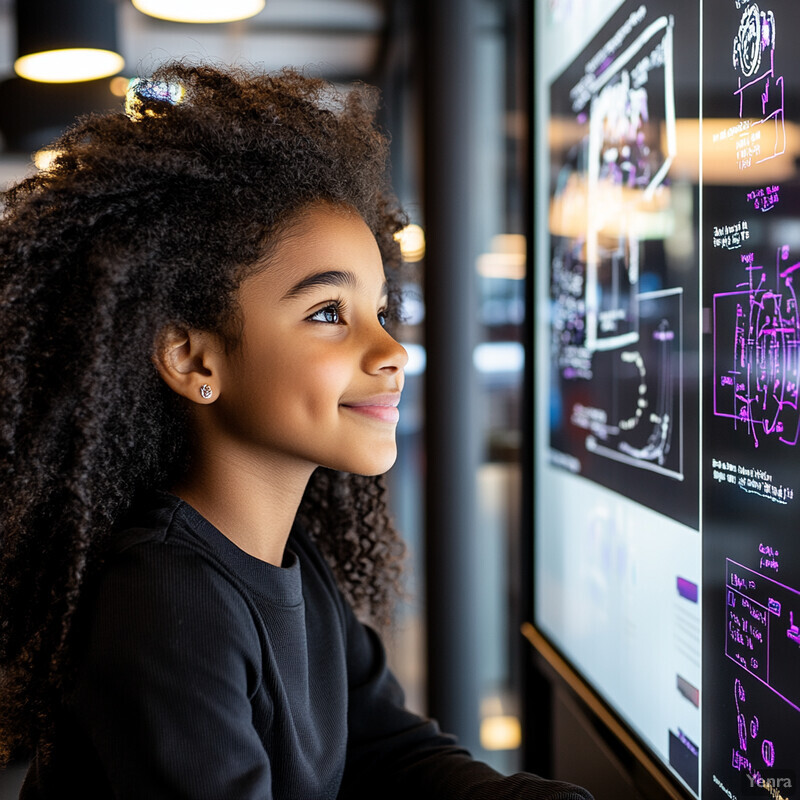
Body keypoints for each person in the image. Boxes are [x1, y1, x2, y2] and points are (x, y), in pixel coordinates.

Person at [0, 63, 593, 800]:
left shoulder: (287, 557)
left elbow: (392, 753)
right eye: (326, 315)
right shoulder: (165, 601)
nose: (391, 352)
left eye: (382, 311)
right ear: (191, 359)